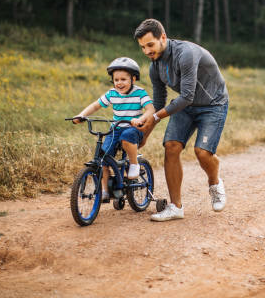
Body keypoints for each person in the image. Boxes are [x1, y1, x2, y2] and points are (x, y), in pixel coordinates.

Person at [133, 18, 229, 222]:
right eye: (143, 47)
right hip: (186, 107)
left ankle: (214, 183)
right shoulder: (154, 67)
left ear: (163, 37)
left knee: (202, 153)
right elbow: (158, 103)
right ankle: (175, 207)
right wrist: (145, 135)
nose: (147, 51)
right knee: (171, 146)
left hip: (213, 104)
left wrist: (155, 119)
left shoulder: (186, 54)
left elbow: (187, 96)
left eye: (150, 45)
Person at [72, 57, 154, 202]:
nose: (119, 83)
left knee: (127, 137)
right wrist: (81, 115)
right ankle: (104, 191)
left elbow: (150, 109)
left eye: (123, 79)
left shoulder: (140, 93)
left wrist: (140, 119)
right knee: (103, 157)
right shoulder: (112, 93)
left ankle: (134, 164)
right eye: (116, 80)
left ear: (133, 79)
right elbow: (95, 105)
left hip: (134, 129)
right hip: (115, 128)